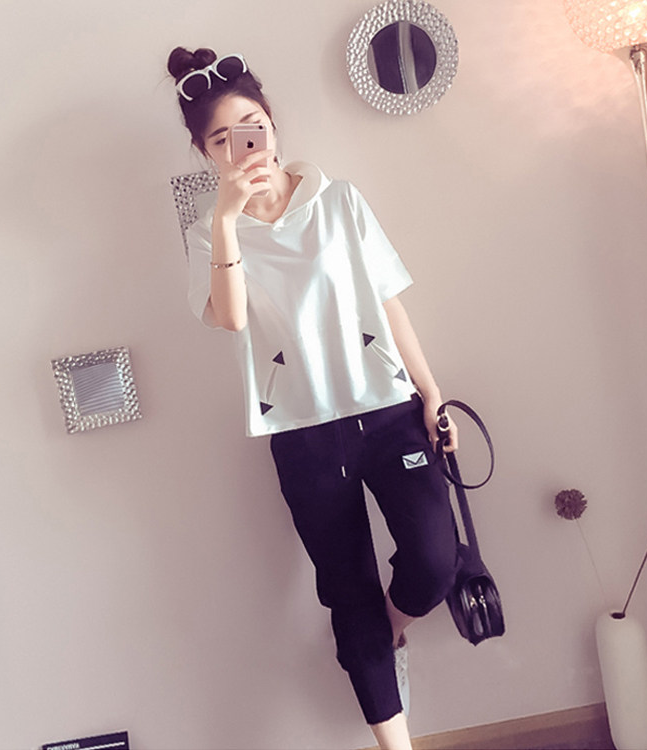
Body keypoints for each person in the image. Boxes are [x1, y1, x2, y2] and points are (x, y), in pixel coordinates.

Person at [168, 47, 460, 750]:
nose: (242, 146)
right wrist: (228, 220)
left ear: (272, 124)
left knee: (434, 560)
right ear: (204, 152)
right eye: (221, 138)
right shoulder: (207, 233)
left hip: (386, 411)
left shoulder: (338, 199)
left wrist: (430, 392)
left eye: (252, 127)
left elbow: (387, 302)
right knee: (346, 589)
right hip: (303, 433)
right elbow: (230, 317)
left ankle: (388, 629)